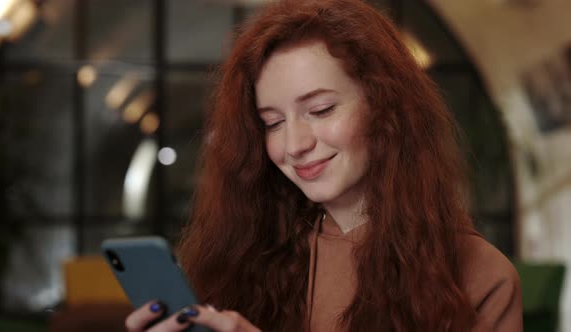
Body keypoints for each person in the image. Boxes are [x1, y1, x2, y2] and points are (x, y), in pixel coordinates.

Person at [125, 0, 523, 331]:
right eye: (272, 123)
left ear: (385, 108)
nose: (295, 145)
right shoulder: (242, 259)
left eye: (321, 109)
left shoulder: (481, 277)